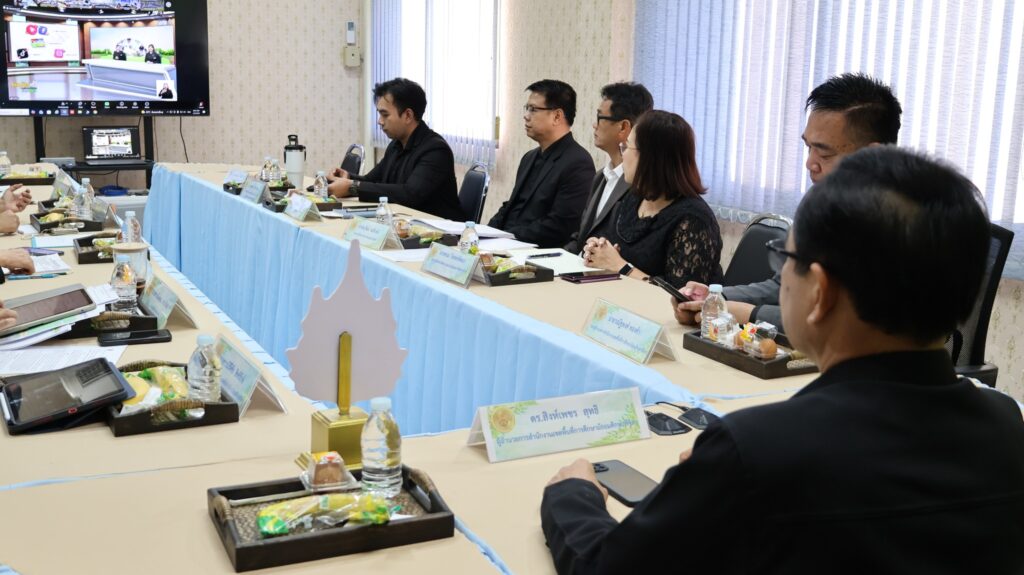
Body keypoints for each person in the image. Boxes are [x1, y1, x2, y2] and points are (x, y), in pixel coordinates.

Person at [540, 146, 1024, 574]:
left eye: (784, 261)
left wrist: (574, 493)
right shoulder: (1007, 427)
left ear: (820, 292)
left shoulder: (757, 450)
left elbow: (606, 565)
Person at [674, 73, 902, 330]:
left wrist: (750, 314)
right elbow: (786, 286)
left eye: (824, 153)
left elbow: (849, 325)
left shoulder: (906, 227)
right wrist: (717, 298)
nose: (810, 163)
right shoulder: (818, 202)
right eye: (808, 148)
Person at [581, 110, 722, 287]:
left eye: (627, 147)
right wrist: (599, 250)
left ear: (650, 158)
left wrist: (622, 267)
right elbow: (612, 249)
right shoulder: (633, 198)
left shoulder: (694, 219)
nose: (623, 154)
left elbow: (682, 295)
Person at [326, 78, 463, 221]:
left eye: (385, 115)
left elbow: (410, 194)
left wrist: (352, 187)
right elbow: (371, 180)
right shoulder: (396, 145)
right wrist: (348, 178)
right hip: (403, 223)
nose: (379, 121)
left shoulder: (435, 150)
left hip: (439, 230)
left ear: (408, 115)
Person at [489, 80, 595, 247]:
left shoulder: (578, 163)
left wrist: (507, 237)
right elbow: (511, 206)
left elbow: (559, 227)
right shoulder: (529, 157)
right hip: (507, 244)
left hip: (536, 252)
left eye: (533, 109)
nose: (526, 115)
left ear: (557, 116)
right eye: (527, 108)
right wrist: (486, 232)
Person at [564, 82, 653, 254]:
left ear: (623, 127)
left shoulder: (641, 185)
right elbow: (581, 237)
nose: (594, 125)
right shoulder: (600, 177)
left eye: (600, 117)